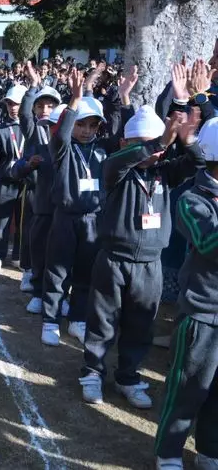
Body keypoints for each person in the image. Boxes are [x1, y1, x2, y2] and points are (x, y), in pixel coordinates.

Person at [80, 74, 204, 410]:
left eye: (159, 146)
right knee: (103, 320)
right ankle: (92, 373)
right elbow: (127, 159)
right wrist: (160, 139)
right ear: (127, 144)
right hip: (113, 260)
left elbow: (199, 163)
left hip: (150, 265)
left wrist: (188, 139)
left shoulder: (164, 172)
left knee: (141, 325)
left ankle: (128, 377)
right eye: (145, 145)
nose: (156, 152)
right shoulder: (116, 170)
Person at [154, 116, 218, 470]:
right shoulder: (193, 199)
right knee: (187, 389)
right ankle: (169, 452)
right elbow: (209, 243)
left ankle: (210, 450)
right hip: (202, 314)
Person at [41, 69, 111, 347]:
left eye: (93, 125)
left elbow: (122, 130)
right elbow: (61, 134)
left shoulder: (103, 151)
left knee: (85, 272)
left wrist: (125, 97)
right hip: (65, 217)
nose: (87, 130)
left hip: (93, 219)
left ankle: (78, 319)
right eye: (82, 124)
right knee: (58, 271)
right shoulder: (63, 149)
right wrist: (74, 101)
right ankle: (50, 319)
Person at [14, 62, 63, 297]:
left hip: (58, 195)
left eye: (50, 105)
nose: (45, 109)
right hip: (34, 191)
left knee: (55, 240)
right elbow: (23, 114)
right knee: (30, 234)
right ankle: (28, 271)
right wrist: (33, 86)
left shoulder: (65, 133)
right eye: (41, 105)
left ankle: (53, 286)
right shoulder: (33, 130)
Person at [0, 84, 28, 272]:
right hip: (7, 182)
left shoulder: (35, 127)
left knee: (24, 222)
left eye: (16, 103)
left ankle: (18, 255)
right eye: (9, 103)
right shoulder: (1, 130)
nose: (12, 107)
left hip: (27, 184)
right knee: (2, 220)